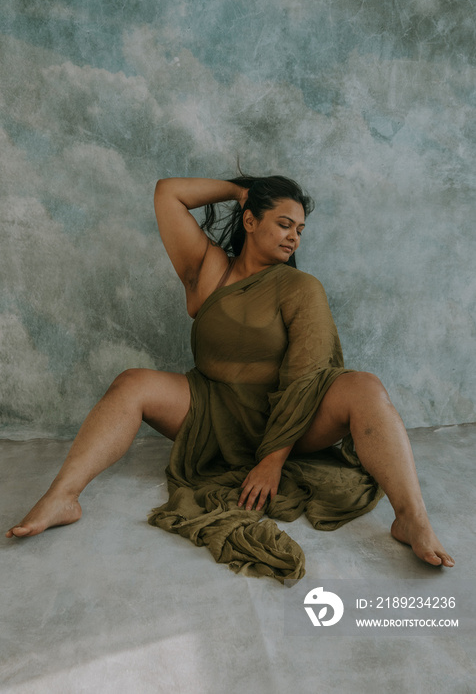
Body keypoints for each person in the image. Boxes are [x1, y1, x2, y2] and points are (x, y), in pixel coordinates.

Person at [6, 175, 454, 574]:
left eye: (299, 229)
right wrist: (241, 189)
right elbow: (168, 193)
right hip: (212, 412)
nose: (294, 236)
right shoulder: (208, 271)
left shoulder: (300, 287)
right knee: (132, 382)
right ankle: (63, 496)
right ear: (250, 221)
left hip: (288, 420)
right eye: (283, 223)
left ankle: (411, 517)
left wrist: (273, 459)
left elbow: (309, 375)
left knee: (365, 387)